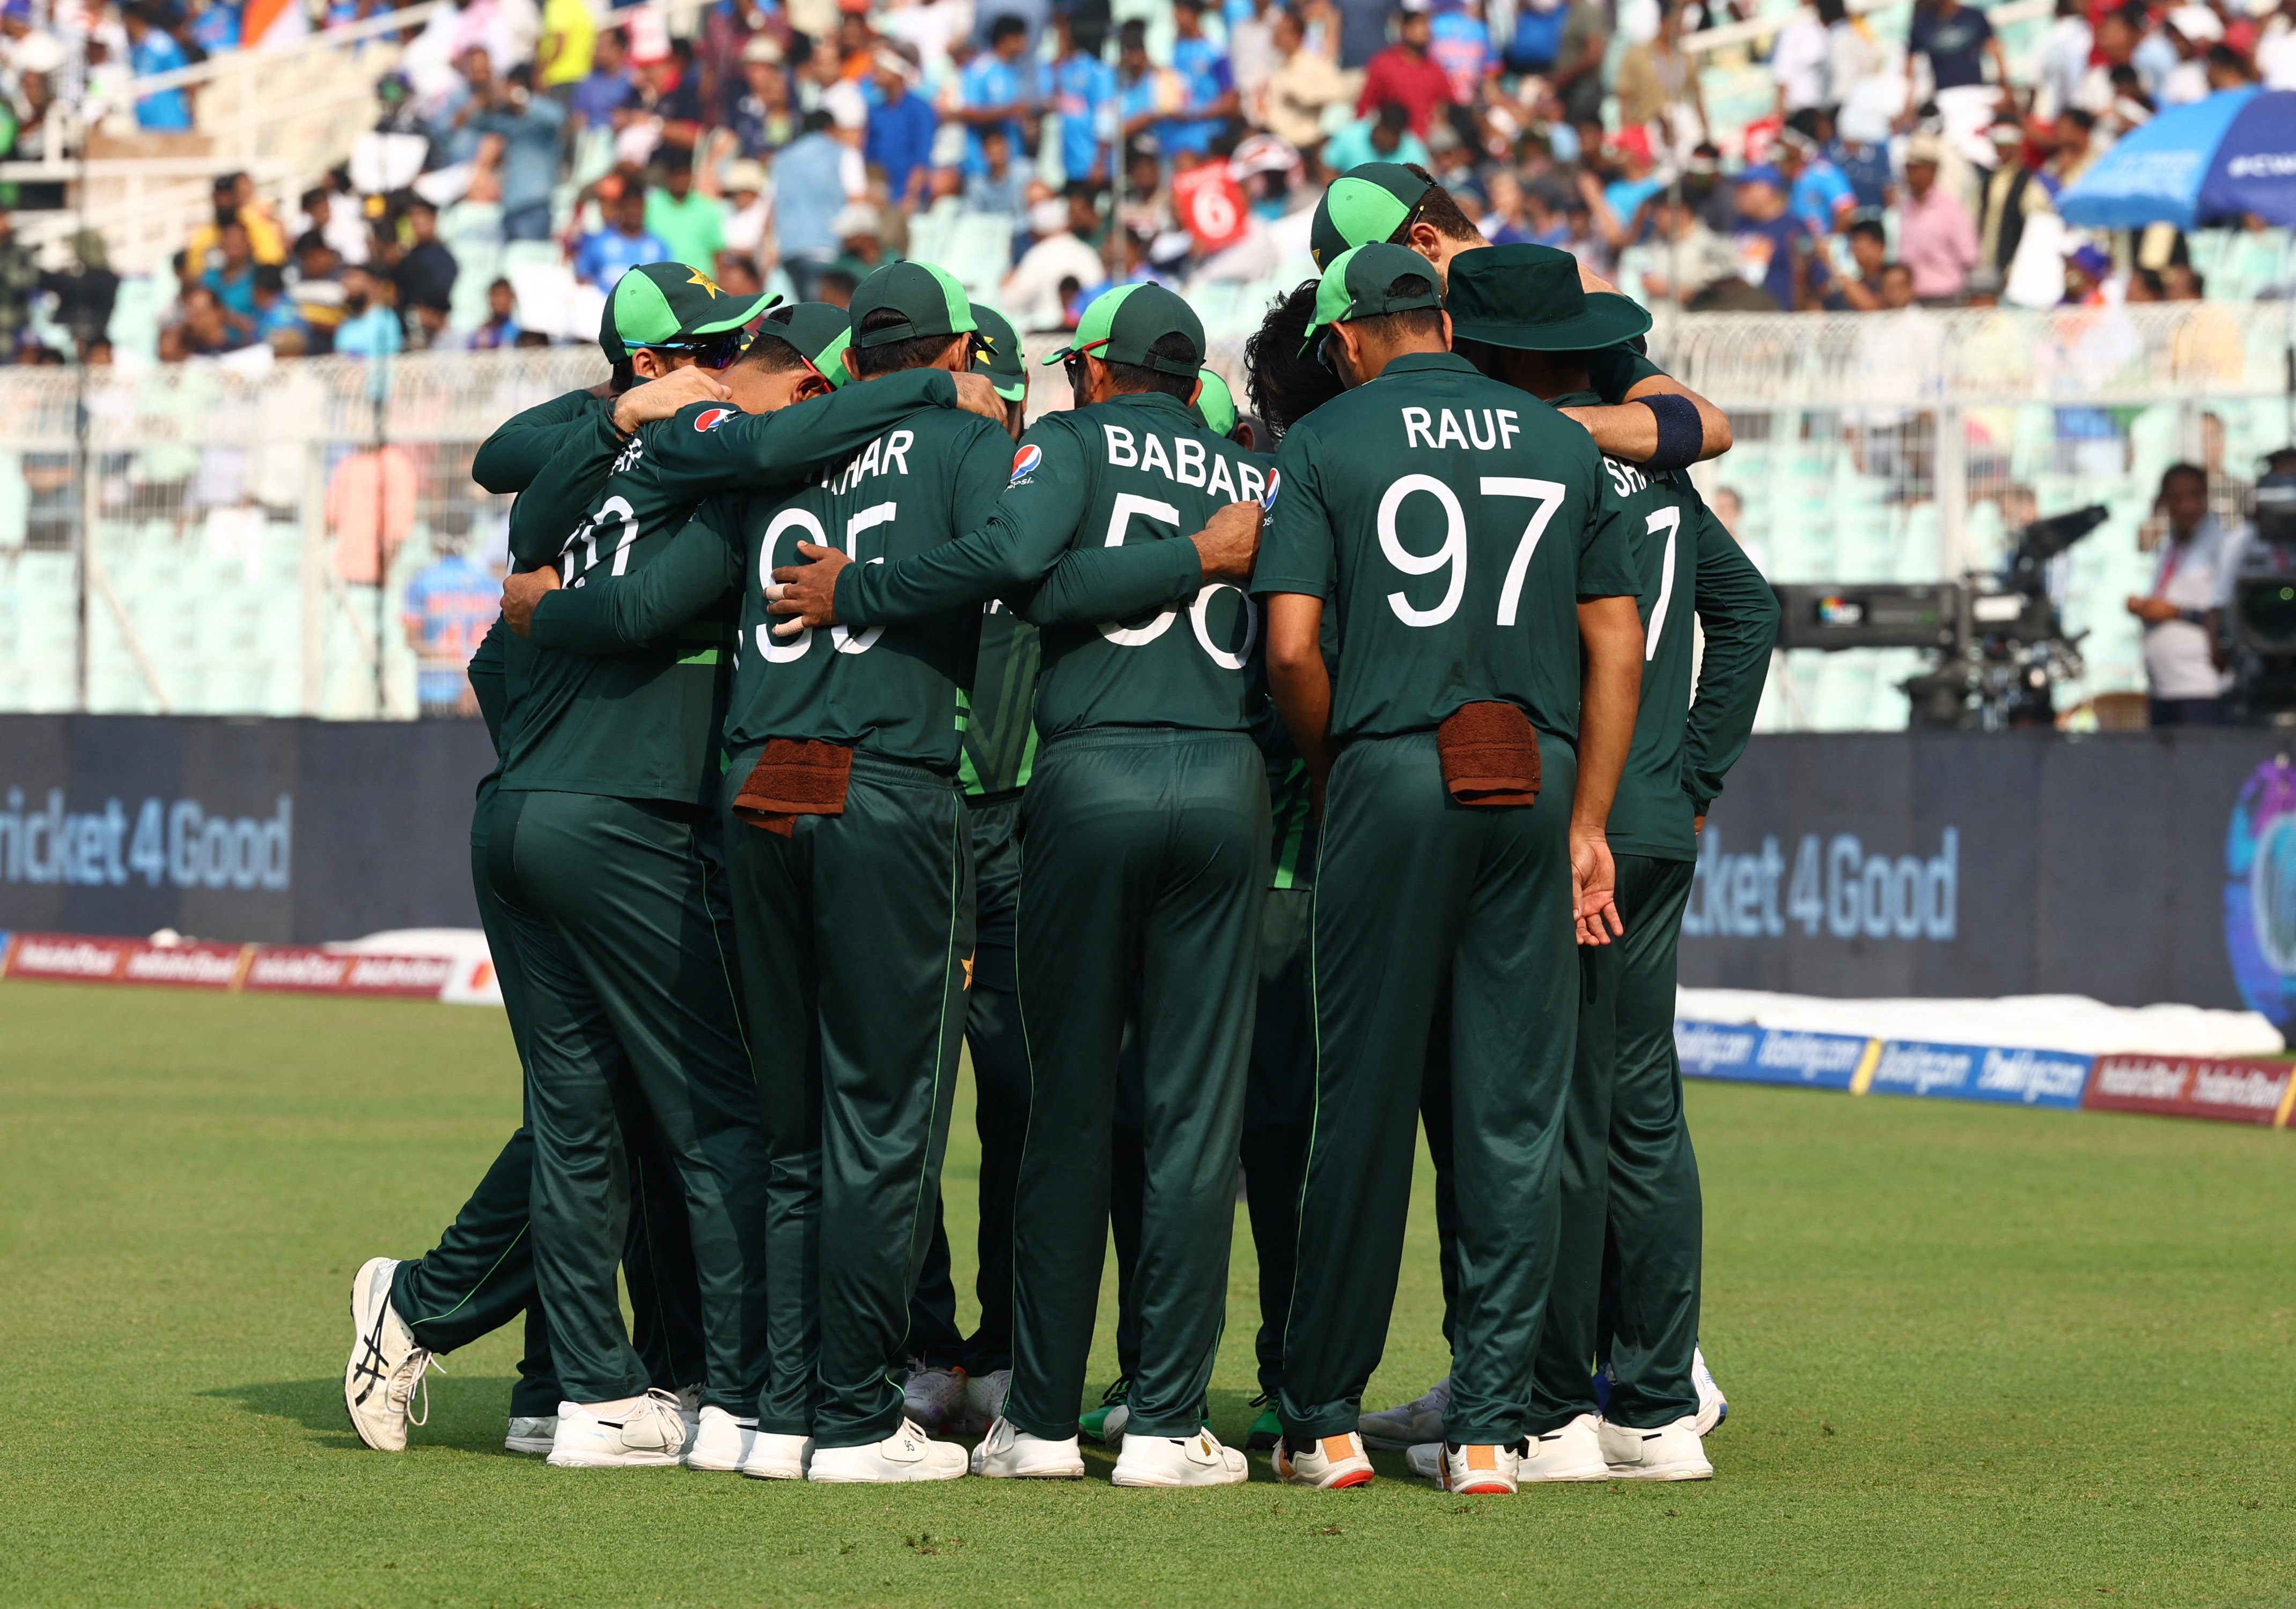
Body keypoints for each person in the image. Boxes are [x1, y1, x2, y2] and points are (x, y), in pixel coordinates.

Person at [501, 265, 1008, 1482]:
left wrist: (545, 592)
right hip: (873, 783)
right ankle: (847, 1411)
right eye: (723, 344)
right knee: (876, 1128)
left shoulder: (743, 460)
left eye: (755, 346)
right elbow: (1014, 553)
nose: (732, 361)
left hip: (752, 794)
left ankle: (779, 1407)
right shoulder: (869, 441)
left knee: (779, 1133)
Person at [760, 279, 1269, 1488]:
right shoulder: (1260, 478)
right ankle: (1161, 1424)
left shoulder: (1065, 441)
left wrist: (863, 589)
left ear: (1094, 369)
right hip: (1225, 780)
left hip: (1082, 777)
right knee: (1193, 1124)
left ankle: (1035, 1417)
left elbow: (1028, 580)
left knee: (1056, 1109)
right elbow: (1302, 637)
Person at [1253, 240, 1646, 1494]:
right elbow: (1617, 649)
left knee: (1359, 1100)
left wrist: (1338, 760)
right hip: (1530, 776)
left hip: (1390, 764)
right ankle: (1484, 1427)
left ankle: (1319, 1415)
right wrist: (1587, 817)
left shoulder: (1327, 442)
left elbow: (1294, 649)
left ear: (1358, 337)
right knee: (1511, 1112)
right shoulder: (1558, 442)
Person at [1382, 243, 1777, 1485]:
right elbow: (1751, 610)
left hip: (1572, 820)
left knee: (1540, 1113)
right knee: (1641, 1115)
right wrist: (1694, 776)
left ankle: (1549, 1406)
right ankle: (1656, 1406)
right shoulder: (1647, 470)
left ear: (1487, 352)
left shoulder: (1524, 467)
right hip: (1651, 818)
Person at [343, 352, 738, 1460]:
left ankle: (568, 1380)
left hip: (592, 819)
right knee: (646, 1111)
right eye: (708, 348)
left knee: (591, 1116)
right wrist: (580, 768)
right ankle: (490, 1332)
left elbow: (505, 631)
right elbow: (496, 648)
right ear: (659, 367)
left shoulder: (627, 474)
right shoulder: (641, 481)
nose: (724, 369)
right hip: (618, 829)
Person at [1307, 160, 1736, 464]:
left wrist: (1539, 427)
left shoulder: (1549, 294)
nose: (1365, 287)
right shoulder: (1417, 330)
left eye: (1370, 267)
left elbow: (1707, 426)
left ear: (1424, 242)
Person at [2130, 461, 2235, 725]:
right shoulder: (2170, 547)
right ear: (2164, 502)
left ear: (2206, 497)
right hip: (2163, 687)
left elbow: (2228, 617)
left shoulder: (2221, 545)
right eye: (2177, 499)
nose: (2187, 506)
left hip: (2201, 688)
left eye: (2195, 496)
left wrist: (2176, 612)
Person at [402, 532, 501, 718]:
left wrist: (452, 662)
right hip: (481, 686)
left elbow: (412, 639)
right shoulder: (489, 582)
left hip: (438, 688)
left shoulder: (423, 581)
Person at [1896, 135, 1977, 302]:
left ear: (1932, 170)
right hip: (1908, 299)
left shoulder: (1952, 210)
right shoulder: (1904, 207)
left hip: (1943, 299)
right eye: (1908, 168)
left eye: (1915, 168)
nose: (1910, 174)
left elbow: (1969, 256)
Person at [644, 147, 729, 274]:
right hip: (660, 283)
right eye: (677, 174)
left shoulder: (708, 209)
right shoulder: (650, 206)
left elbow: (717, 253)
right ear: (668, 176)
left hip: (700, 286)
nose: (682, 180)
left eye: (686, 174)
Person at [575, 182, 671, 292]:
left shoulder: (659, 246)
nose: (634, 212)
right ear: (621, 207)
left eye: (638, 206)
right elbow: (582, 277)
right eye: (630, 206)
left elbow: (667, 285)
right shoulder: (600, 241)